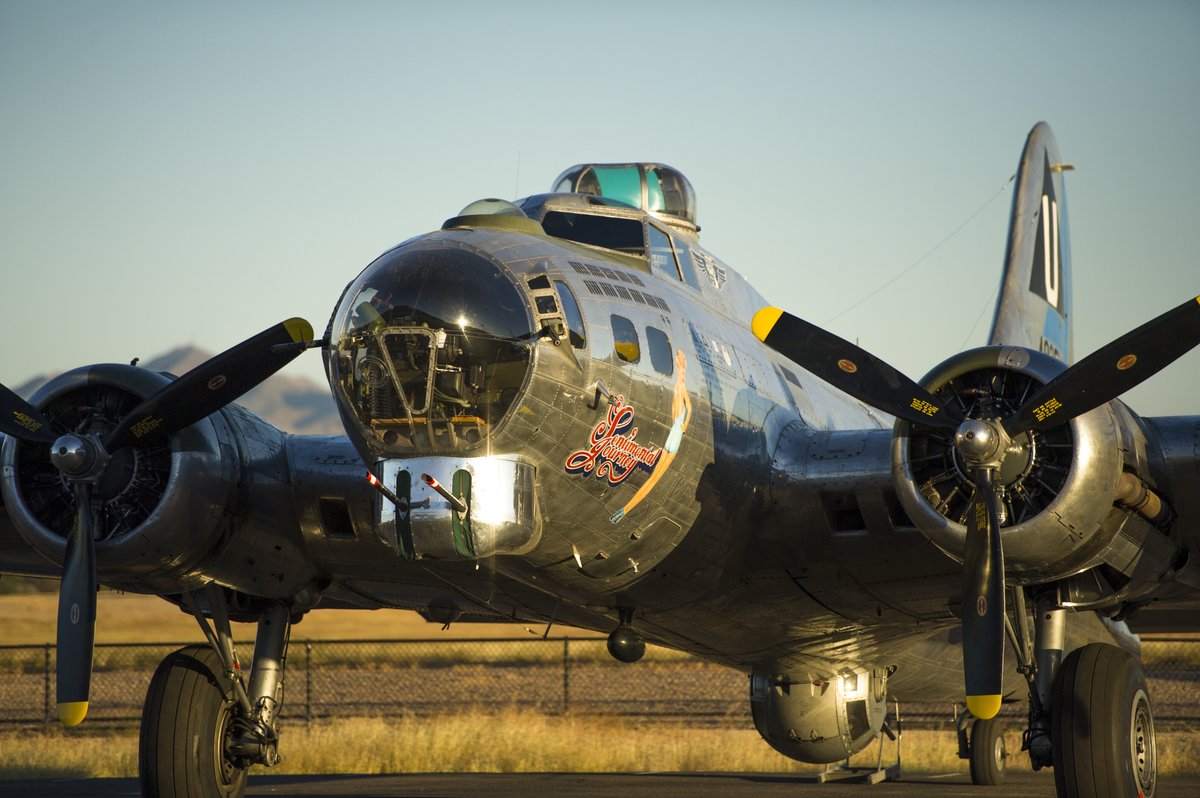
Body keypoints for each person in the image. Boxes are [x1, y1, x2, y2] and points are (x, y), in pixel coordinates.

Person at [611, 349, 691, 523]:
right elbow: (688, 408)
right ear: (681, 366)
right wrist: (683, 426)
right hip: (675, 436)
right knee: (653, 481)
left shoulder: (678, 387)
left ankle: (624, 510)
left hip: (673, 433)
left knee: (652, 479)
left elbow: (677, 411)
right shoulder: (681, 387)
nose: (681, 368)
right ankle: (624, 510)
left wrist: (679, 424)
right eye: (681, 364)